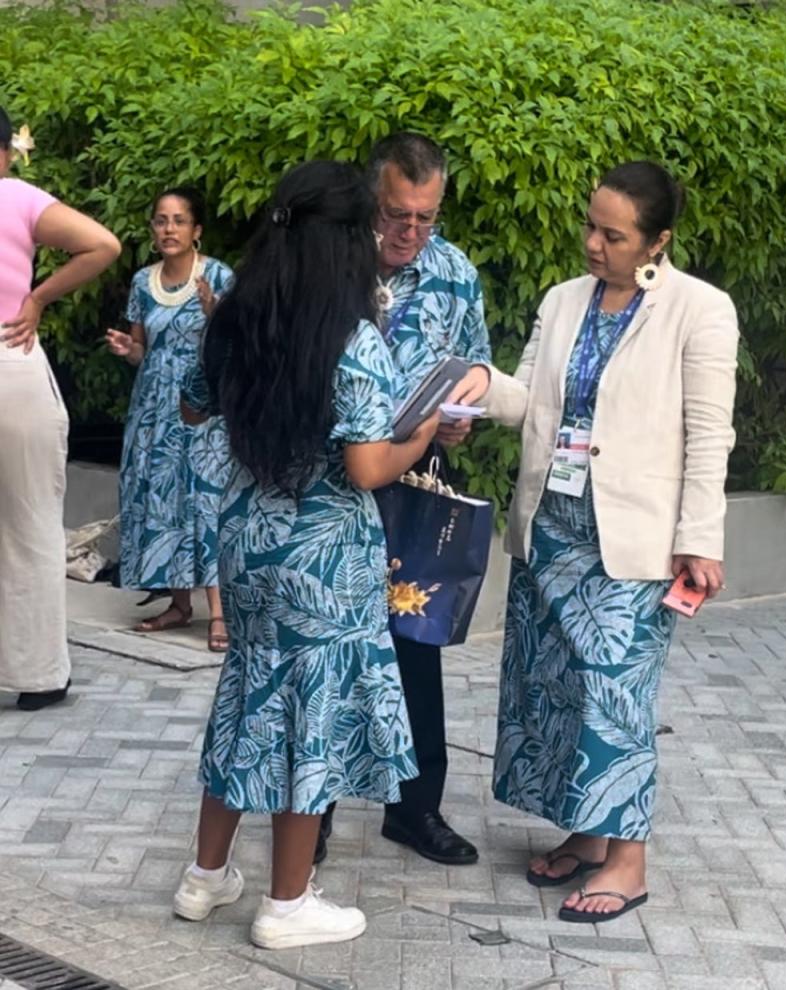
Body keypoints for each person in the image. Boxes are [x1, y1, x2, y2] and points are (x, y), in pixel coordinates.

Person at [455, 161, 739, 922]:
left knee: (616, 693)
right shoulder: (563, 301)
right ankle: (586, 833)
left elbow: (710, 436)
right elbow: (530, 401)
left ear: (658, 240)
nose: (593, 243)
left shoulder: (699, 311)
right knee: (555, 690)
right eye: (591, 225)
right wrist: (478, 389)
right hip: (552, 531)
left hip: (632, 541)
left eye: (612, 235)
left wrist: (699, 540)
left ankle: (628, 860)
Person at [173, 160, 439, 948]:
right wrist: (421, 431)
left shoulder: (237, 317)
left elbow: (193, 406)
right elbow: (365, 466)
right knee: (308, 720)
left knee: (249, 696)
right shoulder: (350, 338)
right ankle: (289, 903)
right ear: (349, 241)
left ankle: (205, 878)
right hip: (323, 560)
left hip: (247, 544)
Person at [315, 133, 491, 867]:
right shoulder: (331, 262)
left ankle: (415, 809)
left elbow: (477, 360)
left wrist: (465, 405)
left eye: (425, 217)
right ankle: (310, 813)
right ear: (371, 200)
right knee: (324, 652)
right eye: (396, 214)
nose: (410, 232)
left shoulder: (453, 271)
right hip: (331, 488)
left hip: (415, 484)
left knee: (415, 648)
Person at [0, 107, 121, 710]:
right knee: (30, 523)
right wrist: (38, 296)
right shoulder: (17, 197)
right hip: (10, 358)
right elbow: (103, 244)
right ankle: (39, 673)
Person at [105, 188, 233, 652]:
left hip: (203, 408)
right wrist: (128, 350)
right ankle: (180, 605)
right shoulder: (143, 282)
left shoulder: (218, 275)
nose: (169, 229)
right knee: (162, 498)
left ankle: (220, 612)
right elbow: (144, 350)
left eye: (179, 221)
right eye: (161, 220)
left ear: (196, 230)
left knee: (207, 498)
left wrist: (213, 312)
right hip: (153, 410)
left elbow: (237, 341)